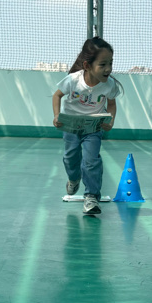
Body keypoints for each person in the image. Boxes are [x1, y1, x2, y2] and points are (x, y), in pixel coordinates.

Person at [53, 38, 121, 215]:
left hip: (93, 128)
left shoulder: (109, 85)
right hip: (71, 126)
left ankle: (91, 196)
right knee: (70, 157)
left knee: (91, 161)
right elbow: (57, 96)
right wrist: (56, 115)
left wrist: (111, 120)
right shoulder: (73, 80)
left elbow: (111, 104)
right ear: (87, 65)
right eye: (103, 64)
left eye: (110, 63)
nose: (108, 69)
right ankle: (73, 178)